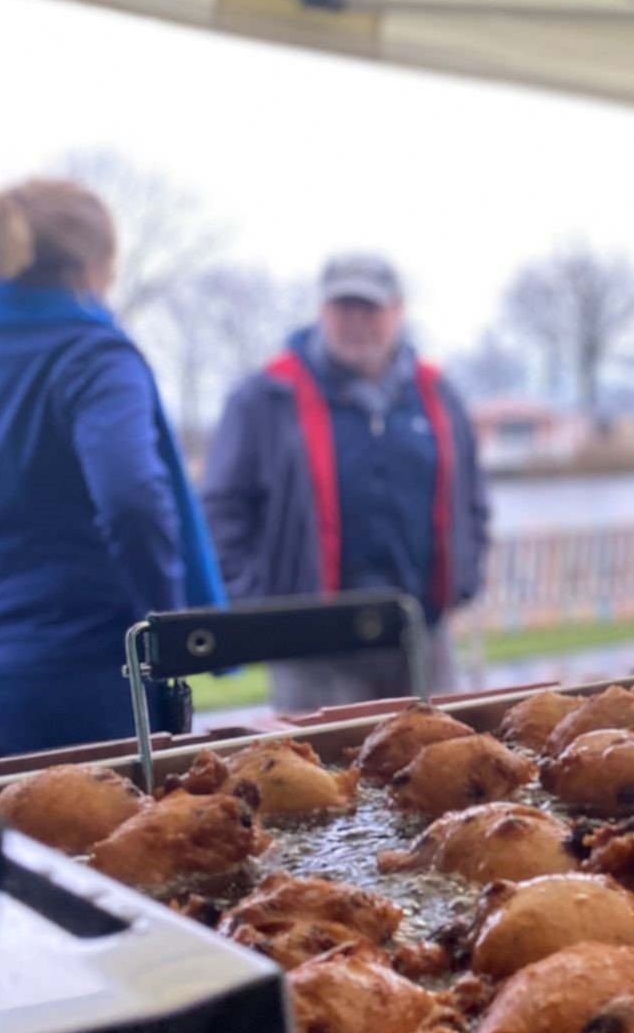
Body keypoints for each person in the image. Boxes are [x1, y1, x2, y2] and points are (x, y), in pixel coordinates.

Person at [0, 181, 224, 766]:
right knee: (110, 858)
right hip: (68, 689)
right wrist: (172, 633)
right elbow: (134, 497)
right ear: (97, 265)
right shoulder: (91, 354)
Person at [204, 252, 490, 711]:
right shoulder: (265, 397)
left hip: (420, 632)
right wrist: (258, 598)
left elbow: (472, 497)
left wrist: (466, 576)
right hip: (313, 646)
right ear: (322, 312)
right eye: (344, 309)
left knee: (441, 765)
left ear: (397, 311)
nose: (357, 322)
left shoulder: (438, 392)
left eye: (370, 309)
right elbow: (222, 508)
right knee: (319, 773)